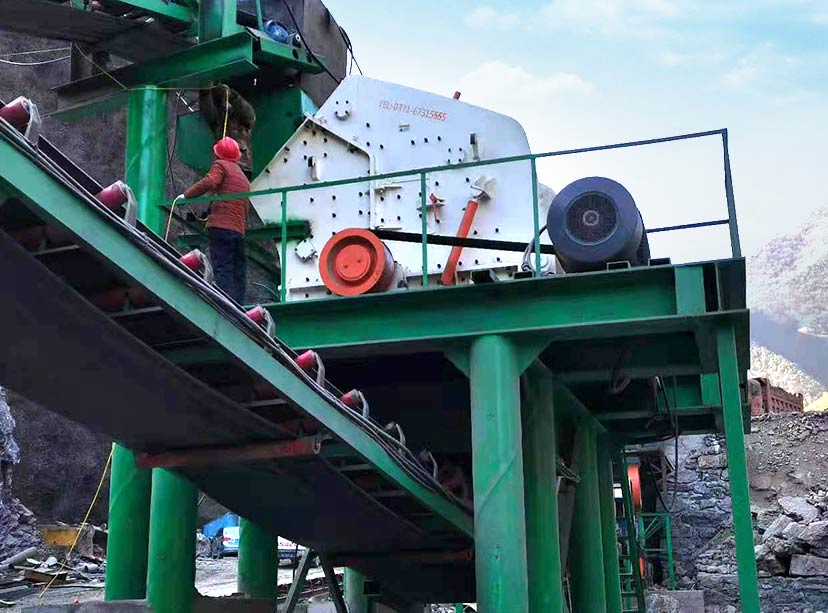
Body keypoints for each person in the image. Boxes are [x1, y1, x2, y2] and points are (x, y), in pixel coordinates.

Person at [181, 136, 250, 304]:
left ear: (218, 154)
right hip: (238, 229)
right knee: (238, 270)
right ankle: (238, 305)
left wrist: (187, 195)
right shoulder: (242, 177)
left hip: (221, 226)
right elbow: (245, 206)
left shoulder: (220, 165)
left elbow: (211, 181)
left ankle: (225, 303)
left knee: (222, 266)